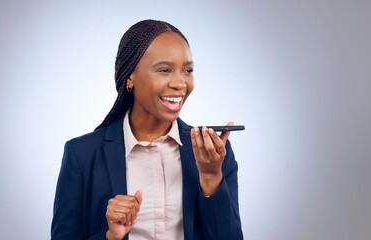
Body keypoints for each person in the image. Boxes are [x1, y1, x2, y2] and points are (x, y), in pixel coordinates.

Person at [51, 19, 243, 240]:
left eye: (188, 70)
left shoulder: (214, 154)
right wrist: (110, 237)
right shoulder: (82, 155)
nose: (180, 83)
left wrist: (211, 177)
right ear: (130, 77)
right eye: (164, 70)